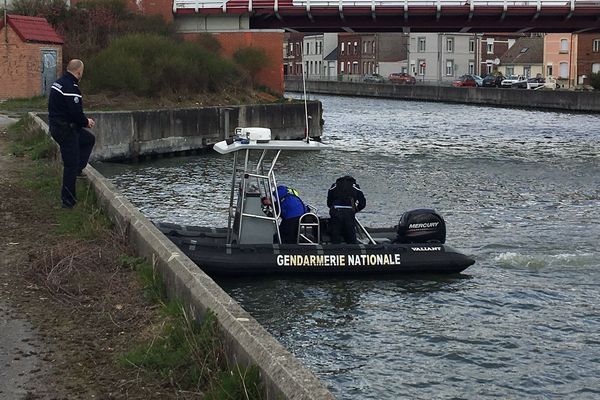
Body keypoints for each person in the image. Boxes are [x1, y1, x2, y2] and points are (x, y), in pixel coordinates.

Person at [48, 59, 96, 209]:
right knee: (70, 164)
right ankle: (68, 201)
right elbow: (75, 112)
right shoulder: (71, 87)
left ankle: (78, 170)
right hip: (66, 130)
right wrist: (86, 122)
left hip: (58, 126)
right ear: (79, 71)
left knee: (88, 139)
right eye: (82, 71)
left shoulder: (59, 82)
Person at [327, 175, 366, 244]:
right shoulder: (355, 186)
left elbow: (329, 203)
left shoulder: (334, 186)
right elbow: (362, 203)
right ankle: (352, 251)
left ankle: (335, 250)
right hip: (349, 212)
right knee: (351, 236)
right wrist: (355, 210)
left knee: (335, 234)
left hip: (336, 211)